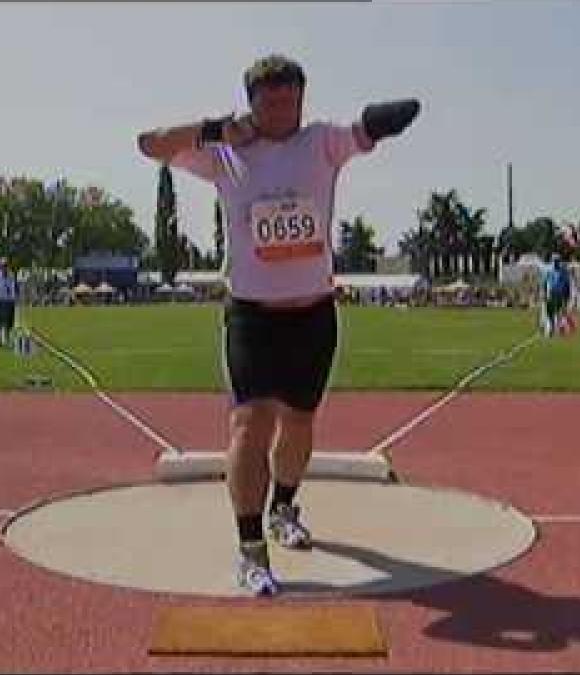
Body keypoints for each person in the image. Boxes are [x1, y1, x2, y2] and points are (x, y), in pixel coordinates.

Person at [136, 54, 420, 596]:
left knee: (300, 423)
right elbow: (150, 144)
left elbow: (364, 130)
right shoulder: (225, 153)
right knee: (249, 426)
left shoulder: (321, 143)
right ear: (252, 104)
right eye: (271, 103)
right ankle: (251, 552)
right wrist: (215, 130)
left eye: (291, 100)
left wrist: (389, 119)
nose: (282, 111)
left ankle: (284, 507)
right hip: (252, 316)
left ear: (302, 99)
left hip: (313, 313)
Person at [541, 253, 571, 336]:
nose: (556, 262)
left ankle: (558, 328)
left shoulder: (564, 272)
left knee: (558, 312)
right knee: (550, 312)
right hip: (551, 294)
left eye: (557, 261)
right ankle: (552, 327)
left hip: (559, 295)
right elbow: (544, 282)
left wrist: (567, 296)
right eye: (555, 261)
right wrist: (544, 292)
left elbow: (567, 284)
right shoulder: (549, 271)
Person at [0, 259, 18, 347]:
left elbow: (13, 288)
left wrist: (14, 298)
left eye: (6, 266)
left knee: (9, 323)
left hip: (9, 301)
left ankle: (7, 340)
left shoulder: (11, 275)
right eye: (3, 266)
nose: (4, 268)